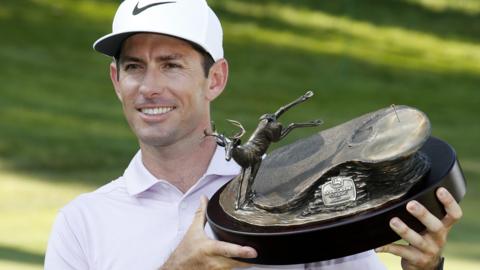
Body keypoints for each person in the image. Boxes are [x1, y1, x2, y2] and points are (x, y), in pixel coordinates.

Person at [44, 0, 463, 269]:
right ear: (116, 80)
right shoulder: (82, 223)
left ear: (215, 79)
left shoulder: (299, 192)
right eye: (135, 66)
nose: (150, 86)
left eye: (172, 65)